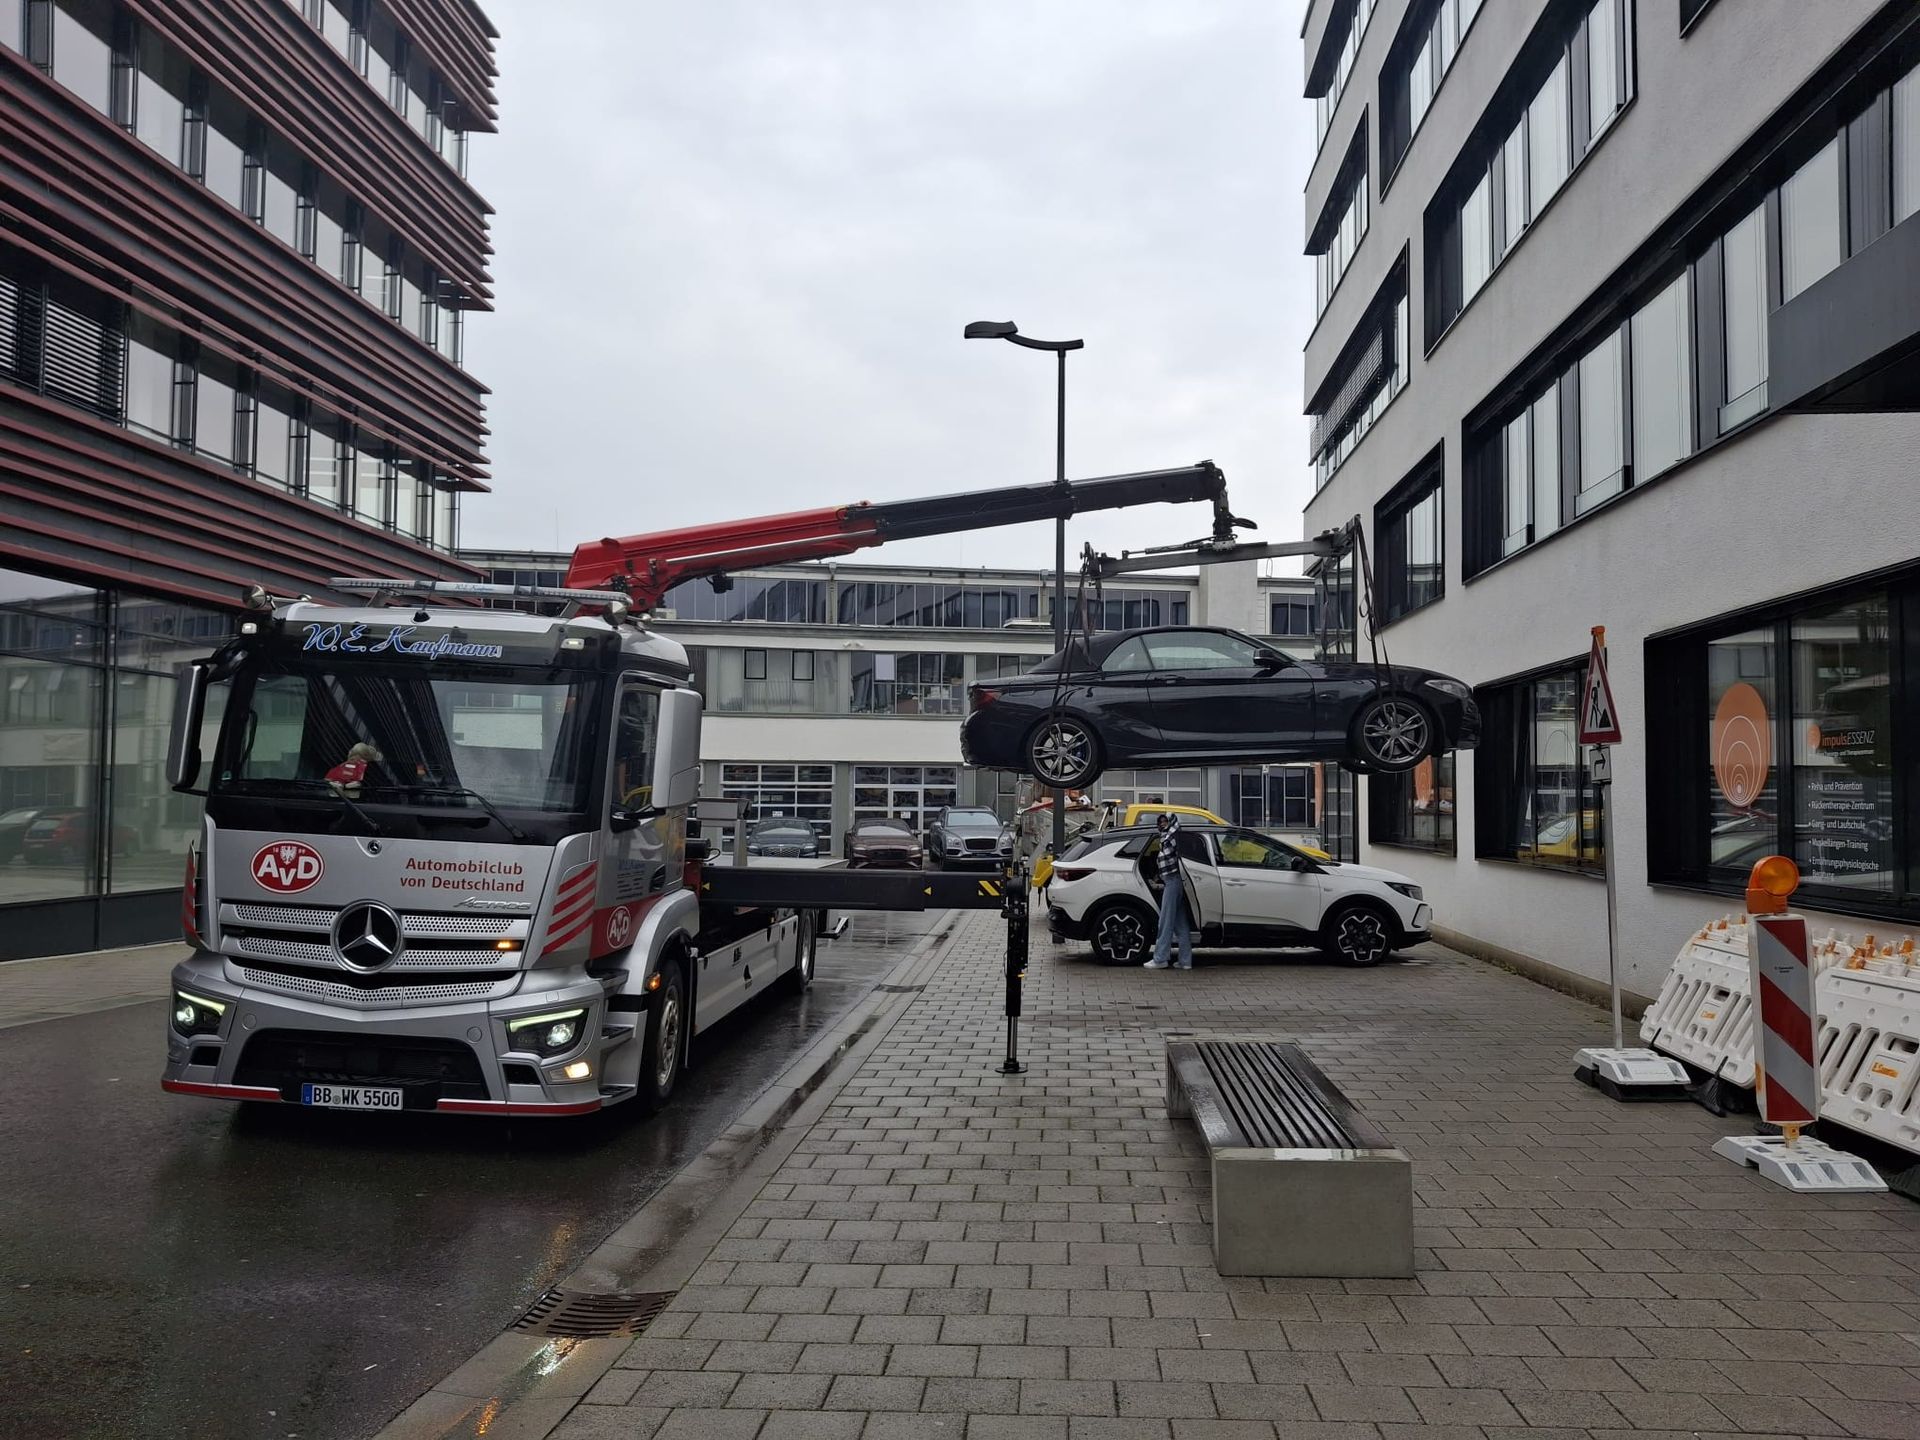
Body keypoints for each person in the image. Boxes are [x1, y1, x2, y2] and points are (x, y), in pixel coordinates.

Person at [1143, 811, 1193, 970]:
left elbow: (1169, 856)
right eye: (1160, 822)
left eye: (1165, 821)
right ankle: (1185, 961)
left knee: (1165, 922)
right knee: (1180, 924)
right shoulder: (1171, 834)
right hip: (1174, 881)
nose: (1162, 824)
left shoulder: (1171, 836)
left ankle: (1160, 958)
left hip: (1172, 881)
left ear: (1171, 822)